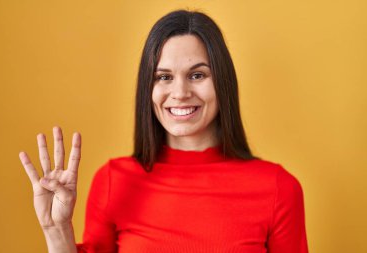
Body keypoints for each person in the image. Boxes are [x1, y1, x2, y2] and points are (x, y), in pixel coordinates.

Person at [19, 10, 308, 253]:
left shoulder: (278, 189)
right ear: (148, 87)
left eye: (197, 75)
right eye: (164, 77)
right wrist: (56, 232)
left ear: (223, 83)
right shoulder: (113, 182)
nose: (180, 92)